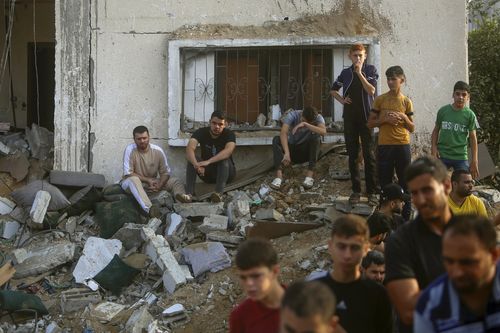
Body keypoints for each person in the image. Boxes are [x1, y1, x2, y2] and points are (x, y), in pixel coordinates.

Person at [384, 156, 452, 332]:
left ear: (446, 186)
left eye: (427, 190)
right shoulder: (401, 241)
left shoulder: (472, 232)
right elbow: (409, 309)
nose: (420, 200)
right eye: (414, 193)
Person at [414, 215, 500, 332]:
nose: (457, 273)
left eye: (468, 262)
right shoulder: (430, 306)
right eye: (449, 261)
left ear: (494, 256)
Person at [316, 214, 392, 333]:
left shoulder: (379, 295)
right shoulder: (314, 290)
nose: (347, 255)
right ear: (330, 246)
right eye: (341, 246)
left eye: (355, 248)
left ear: (366, 248)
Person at [330, 44, 378, 205]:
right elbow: (333, 90)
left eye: (360, 55)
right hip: (350, 119)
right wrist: (342, 100)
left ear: (365, 56)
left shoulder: (370, 70)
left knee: (369, 155)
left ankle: (371, 191)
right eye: (355, 55)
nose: (358, 58)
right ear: (349, 56)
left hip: (367, 119)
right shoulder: (345, 73)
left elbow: (371, 91)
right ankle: (356, 191)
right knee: (352, 156)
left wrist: (359, 73)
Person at [368, 65, 414, 220]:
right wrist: (384, 119)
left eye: (393, 79)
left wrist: (404, 117)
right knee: (385, 182)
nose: (390, 82)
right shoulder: (380, 100)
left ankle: (406, 217)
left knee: (405, 181)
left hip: (402, 145)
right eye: (388, 79)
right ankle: (384, 218)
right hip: (385, 145)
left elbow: (412, 127)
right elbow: (370, 123)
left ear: (402, 80)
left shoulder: (406, 101)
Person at [121, 125, 190, 217]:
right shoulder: (130, 149)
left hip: (151, 183)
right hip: (132, 183)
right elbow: (128, 173)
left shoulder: (157, 151)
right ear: (134, 139)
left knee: (175, 181)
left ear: (149, 137)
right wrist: (148, 180)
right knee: (134, 179)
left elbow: (165, 172)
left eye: (144, 138)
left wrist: (160, 184)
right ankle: (149, 209)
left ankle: (183, 206)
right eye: (139, 139)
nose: (142, 141)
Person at [229, 238, 285, 333]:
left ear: (274, 271)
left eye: (256, 276)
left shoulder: (303, 303)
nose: (249, 283)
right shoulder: (240, 317)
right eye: (243, 277)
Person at [431, 81, 479, 179]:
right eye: (457, 94)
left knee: (464, 183)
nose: (460, 97)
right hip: (443, 155)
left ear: (468, 97)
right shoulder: (443, 111)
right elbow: (436, 131)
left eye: (464, 95)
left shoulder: (470, 115)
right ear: (453, 95)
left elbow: (473, 138)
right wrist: (433, 149)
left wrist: (474, 161)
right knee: (434, 181)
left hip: (461, 157)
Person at [270, 106, 326, 190]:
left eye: (308, 122)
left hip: (306, 152)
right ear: (301, 114)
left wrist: (305, 124)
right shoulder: (293, 115)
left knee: (316, 138)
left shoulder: (318, 117)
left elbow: (323, 132)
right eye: (303, 120)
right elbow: (283, 132)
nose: (304, 123)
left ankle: (309, 177)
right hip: (293, 150)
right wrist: (287, 153)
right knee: (276, 140)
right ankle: (278, 178)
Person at [185, 111, 236, 202]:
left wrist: (208, 161)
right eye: (214, 123)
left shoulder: (229, 134)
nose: (217, 127)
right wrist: (196, 165)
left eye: (220, 124)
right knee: (191, 159)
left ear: (225, 125)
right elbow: (190, 148)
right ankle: (189, 194)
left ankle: (218, 194)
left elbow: (228, 151)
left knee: (223, 159)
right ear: (210, 122)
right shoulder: (201, 132)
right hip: (207, 173)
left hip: (226, 173)